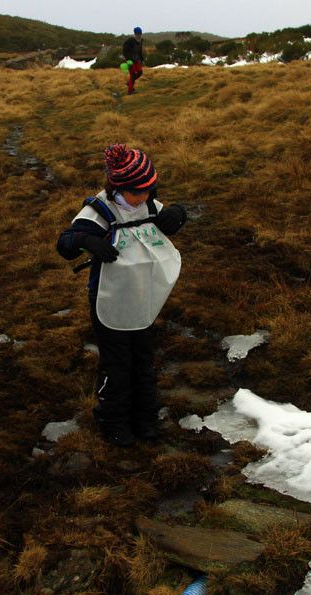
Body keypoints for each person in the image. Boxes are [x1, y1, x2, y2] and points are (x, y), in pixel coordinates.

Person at [57, 145, 187, 447]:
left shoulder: (151, 206)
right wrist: (89, 241)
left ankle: (145, 418)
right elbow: (65, 243)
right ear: (117, 187)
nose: (142, 199)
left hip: (144, 298)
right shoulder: (100, 211)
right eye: (135, 193)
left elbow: (169, 222)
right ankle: (113, 421)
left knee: (143, 360)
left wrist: (179, 215)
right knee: (117, 363)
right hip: (109, 299)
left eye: (147, 191)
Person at [122, 27, 145, 95]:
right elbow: (125, 50)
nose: (139, 35)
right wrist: (127, 59)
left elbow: (140, 52)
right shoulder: (130, 41)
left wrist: (142, 60)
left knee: (140, 72)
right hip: (130, 61)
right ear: (135, 34)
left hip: (136, 60)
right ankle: (130, 91)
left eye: (140, 34)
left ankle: (129, 83)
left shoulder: (140, 41)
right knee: (133, 75)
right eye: (137, 34)